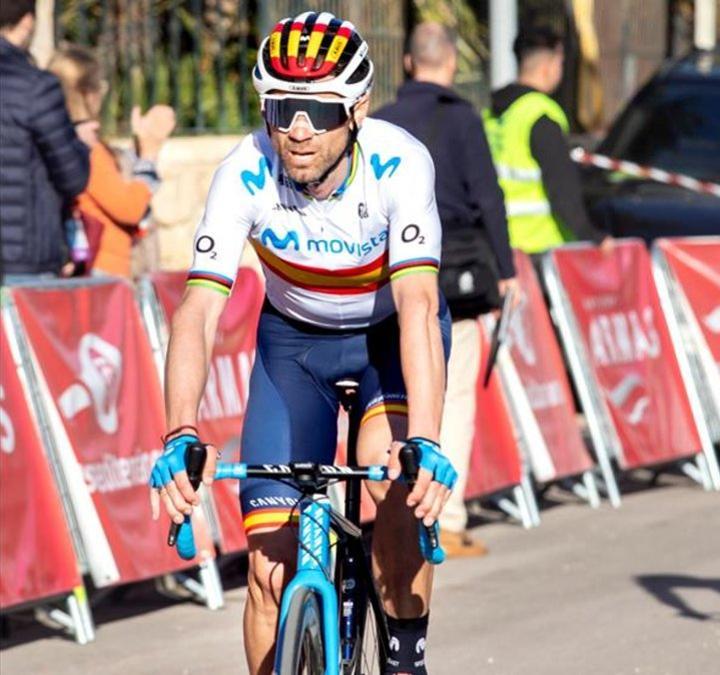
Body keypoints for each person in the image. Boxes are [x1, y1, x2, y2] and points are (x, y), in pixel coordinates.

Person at [148, 13, 457, 675]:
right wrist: (179, 432)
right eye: (283, 108)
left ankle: (405, 663)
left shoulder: (400, 164)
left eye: (318, 111)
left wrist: (426, 440)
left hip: (385, 341)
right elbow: (198, 310)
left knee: (392, 496)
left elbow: (418, 305)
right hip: (294, 348)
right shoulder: (244, 172)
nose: (298, 129)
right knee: (266, 569)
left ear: (357, 110)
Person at [372, 21, 519, 558]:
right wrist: (507, 272)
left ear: (409, 63)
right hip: (455, 275)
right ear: (452, 64)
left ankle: (389, 511)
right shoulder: (462, 119)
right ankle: (443, 518)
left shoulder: (381, 122)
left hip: (389, 275)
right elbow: (489, 196)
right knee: (452, 393)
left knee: (394, 396)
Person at [48, 44, 176, 277]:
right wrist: (149, 152)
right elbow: (129, 208)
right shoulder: (87, 149)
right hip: (103, 266)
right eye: (100, 86)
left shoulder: (63, 141)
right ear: (87, 93)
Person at [484, 26, 611, 254]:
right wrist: (592, 236)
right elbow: (562, 190)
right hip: (537, 247)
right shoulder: (540, 115)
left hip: (497, 246)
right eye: (560, 64)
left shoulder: (492, 115)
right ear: (548, 66)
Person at [0, 0, 91, 282]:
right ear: (27, 21)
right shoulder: (36, 86)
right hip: (24, 258)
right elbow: (73, 177)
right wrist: (79, 142)